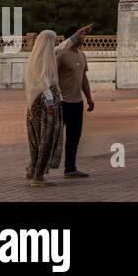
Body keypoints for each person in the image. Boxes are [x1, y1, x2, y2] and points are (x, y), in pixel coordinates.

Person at [23, 30, 65, 186]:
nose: (55, 44)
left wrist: (78, 34)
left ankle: (33, 169)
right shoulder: (44, 60)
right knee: (46, 139)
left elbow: (61, 48)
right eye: (53, 41)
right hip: (46, 104)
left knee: (35, 139)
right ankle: (39, 176)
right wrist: (50, 102)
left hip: (34, 104)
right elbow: (43, 80)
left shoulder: (36, 57)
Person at [56, 24, 95, 178]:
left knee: (74, 137)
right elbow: (51, 75)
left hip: (77, 103)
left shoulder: (81, 55)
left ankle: (70, 168)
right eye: (81, 34)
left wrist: (89, 97)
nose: (84, 37)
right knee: (54, 137)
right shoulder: (61, 54)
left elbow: (83, 78)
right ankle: (39, 168)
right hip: (62, 102)